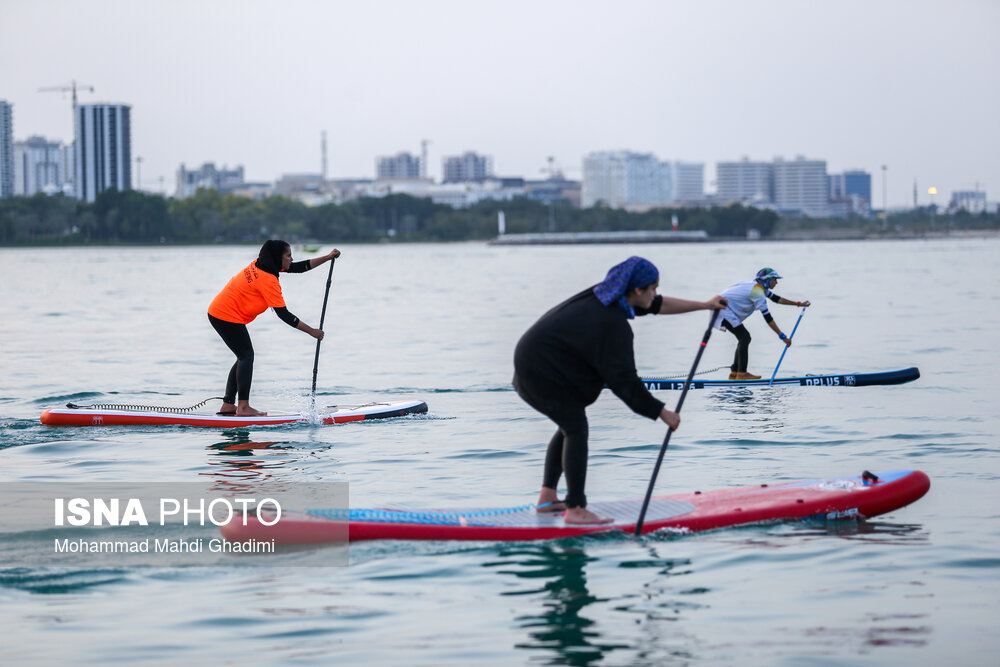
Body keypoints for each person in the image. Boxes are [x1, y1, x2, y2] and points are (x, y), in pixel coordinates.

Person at [512, 256, 727, 525]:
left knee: (569, 423)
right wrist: (662, 412)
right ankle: (576, 509)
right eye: (653, 287)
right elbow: (624, 383)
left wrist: (704, 305)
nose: (656, 293)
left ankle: (547, 498)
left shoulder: (608, 296)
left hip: (532, 363)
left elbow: (657, 305)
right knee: (575, 427)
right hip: (540, 371)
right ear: (637, 290)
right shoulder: (612, 324)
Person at [207, 240, 340, 416]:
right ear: (278, 257)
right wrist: (312, 331)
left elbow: (299, 267)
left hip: (219, 311)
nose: (292, 259)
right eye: (288, 255)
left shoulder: (261, 264)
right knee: (246, 356)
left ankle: (228, 405)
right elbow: (284, 315)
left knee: (243, 356)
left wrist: (328, 257)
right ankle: (243, 407)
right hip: (225, 315)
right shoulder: (268, 280)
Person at [717, 268, 810, 380]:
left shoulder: (758, 286)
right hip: (722, 310)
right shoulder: (757, 292)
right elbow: (768, 318)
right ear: (768, 279)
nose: (776, 282)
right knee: (744, 337)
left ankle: (735, 372)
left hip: (721, 309)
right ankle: (741, 373)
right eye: (775, 279)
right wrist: (783, 337)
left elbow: (776, 299)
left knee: (743, 338)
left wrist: (798, 304)